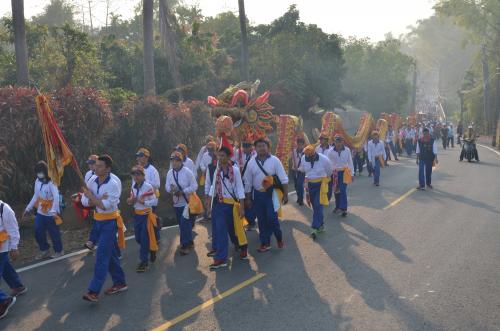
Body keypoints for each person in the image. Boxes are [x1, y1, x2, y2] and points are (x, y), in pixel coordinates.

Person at [81, 155, 127, 303]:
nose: (96, 168)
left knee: (101, 256)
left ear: (108, 169)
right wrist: (94, 198)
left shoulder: (113, 184)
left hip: (109, 223)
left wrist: (92, 198)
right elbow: (84, 201)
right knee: (111, 256)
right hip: (98, 221)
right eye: (96, 165)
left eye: (100, 166)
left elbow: (105, 206)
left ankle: (93, 291)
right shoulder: (92, 180)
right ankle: (120, 282)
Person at [205, 146, 248, 270]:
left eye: (223, 155)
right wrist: (209, 203)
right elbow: (213, 187)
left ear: (229, 157)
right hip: (219, 204)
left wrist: (242, 207)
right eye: (219, 155)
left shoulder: (235, 170)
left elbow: (240, 188)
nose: (220, 158)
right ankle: (221, 258)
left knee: (235, 229)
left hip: (232, 205)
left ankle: (242, 247)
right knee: (220, 230)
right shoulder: (216, 171)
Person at [244, 138, 289, 252]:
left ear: (268, 147)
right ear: (255, 148)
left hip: (271, 194)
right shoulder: (251, 162)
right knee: (262, 220)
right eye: (259, 146)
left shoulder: (275, 160)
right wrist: (248, 199)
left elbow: (283, 178)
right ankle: (265, 243)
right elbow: (248, 182)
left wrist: (286, 194)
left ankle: (279, 238)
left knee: (272, 218)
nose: (261, 148)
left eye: (263, 146)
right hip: (257, 195)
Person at [23, 161, 64, 259]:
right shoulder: (37, 181)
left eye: (40, 172)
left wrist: (54, 211)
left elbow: (56, 197)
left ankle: (59, 251)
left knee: (54, 233)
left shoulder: (52, 182)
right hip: (41, 211)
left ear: (45, 171)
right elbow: (36, 195)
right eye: (37, 172)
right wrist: (28, 208)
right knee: (38, 231)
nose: (38, 174)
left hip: (51, 212)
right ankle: (44, 249)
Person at [165, 151, 198, 255]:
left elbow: (194, 186)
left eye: (176, 160)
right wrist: (171, 189)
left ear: (181, 161)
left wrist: (183, 191)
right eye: (172, 160)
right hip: (176, 203)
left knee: (184, 223)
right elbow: (166, 186)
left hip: (186, 203)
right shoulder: (170, 173)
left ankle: (185, 245)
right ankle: (189, 241)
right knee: (182, 224)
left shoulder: (187, 172)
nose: (173, 163)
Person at [127, 165, 158, 272]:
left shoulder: (148, 187)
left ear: (143, 176)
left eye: (138, 174)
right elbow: (131, 199)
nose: (136, 177)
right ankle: (152, 249)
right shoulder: (133, 187)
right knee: (138, 238)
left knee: (144, 238)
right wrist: (130, 200)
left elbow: (154, 201)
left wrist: (143, 202)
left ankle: (143, 262)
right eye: (134, 175)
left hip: (146, 216)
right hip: (137, 216)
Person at [0, 200, 27, 319]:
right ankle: (18, 286)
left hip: (2, 246)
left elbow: (13, 229)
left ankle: (4, 301)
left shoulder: (4, 209)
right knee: (5, 268)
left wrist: (14, 247)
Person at [300, 145, 333, 239]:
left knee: (318, 205)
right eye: (307, 156)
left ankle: (314, 227)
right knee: (315, 207)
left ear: (314, 153)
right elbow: (303, 169)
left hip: (321, 185)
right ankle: (321, 225)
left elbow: (329, 171)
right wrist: (298, 169)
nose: (309, 158)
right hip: (309, 185)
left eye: (310, 156)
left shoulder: (324, 159)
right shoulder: (303, 158)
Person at [135, 147, 161, 242]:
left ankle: (156, 237)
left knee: (152, 219)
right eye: (137, 156)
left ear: (146, 157)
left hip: (151, 199)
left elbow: (157, 184)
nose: (138, 158)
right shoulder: (137, 169)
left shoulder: (152, 170)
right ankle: (147, 239)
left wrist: (145, 181)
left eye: (140, 156)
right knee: (144, 222)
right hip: (140, 201)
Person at [327, 135, 354, 217]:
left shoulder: (347, 150)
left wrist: (352, 174)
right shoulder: (330, 151)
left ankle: (344, 209)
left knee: (342, 190)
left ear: (343, 142)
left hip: (344, 172)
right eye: (336, 141)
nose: (338, 143)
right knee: (336, 191)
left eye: (340, 141)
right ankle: (338, 206)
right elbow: (328, 163)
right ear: (334, 142)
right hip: (334, 173)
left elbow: (350, 162)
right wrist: (328, 174)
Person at [234, 138, 257, 230]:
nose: (246, 148)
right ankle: (246, 220)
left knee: (250, 201)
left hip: (251, 181)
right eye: (244, 146)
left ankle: (251, 220)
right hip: (240, 181)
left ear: (251, 147)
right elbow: (230, 158)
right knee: (242, 200)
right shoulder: (237, 152)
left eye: (248, 146)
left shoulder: (255, 155)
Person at [198, 141, 217, 221]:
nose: (210, 151)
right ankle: (207, 214)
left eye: (211, 149)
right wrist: (204, 169)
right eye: (208, 149)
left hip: (216, 183)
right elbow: (201, 163)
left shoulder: (218, 157)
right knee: (206, 197)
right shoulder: (205, 155)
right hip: (207, 178)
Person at [291, 137, 306, 206]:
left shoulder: (306, 152)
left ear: (303, 145)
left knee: (300, 184)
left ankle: (301, 199)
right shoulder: (293, 151)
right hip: (294, 170)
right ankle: (299, 196)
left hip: (301, 171)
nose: (299, 146)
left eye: (301, 144)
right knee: (296, 185)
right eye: (298, 144)